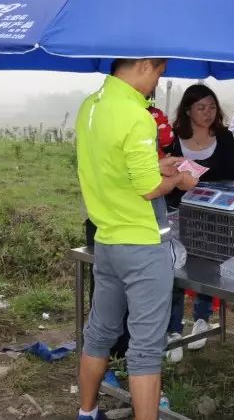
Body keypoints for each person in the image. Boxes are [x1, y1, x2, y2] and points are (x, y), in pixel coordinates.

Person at [75, 58, 198, 420]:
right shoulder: (135, 114)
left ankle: (87, 412)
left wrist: (157, 165)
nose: (157, 82)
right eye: (159, 72)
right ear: (144, 65)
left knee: (99, 333)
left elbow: (112, 165)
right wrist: (178, 180)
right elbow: (149, 189)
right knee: (145, 350)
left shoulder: (91, 106)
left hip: (108, 240)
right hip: (143, 245)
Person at [164, 84, 234, 358]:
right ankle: (172, 328)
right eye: (201, 108)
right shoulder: (172, 138)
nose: (208, 113)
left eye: (211, 107)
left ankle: (201, 319)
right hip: (175, 214)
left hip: (212, 218)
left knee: (206, 268)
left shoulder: (225, 138)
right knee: (174, 267)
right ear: (187, 110)